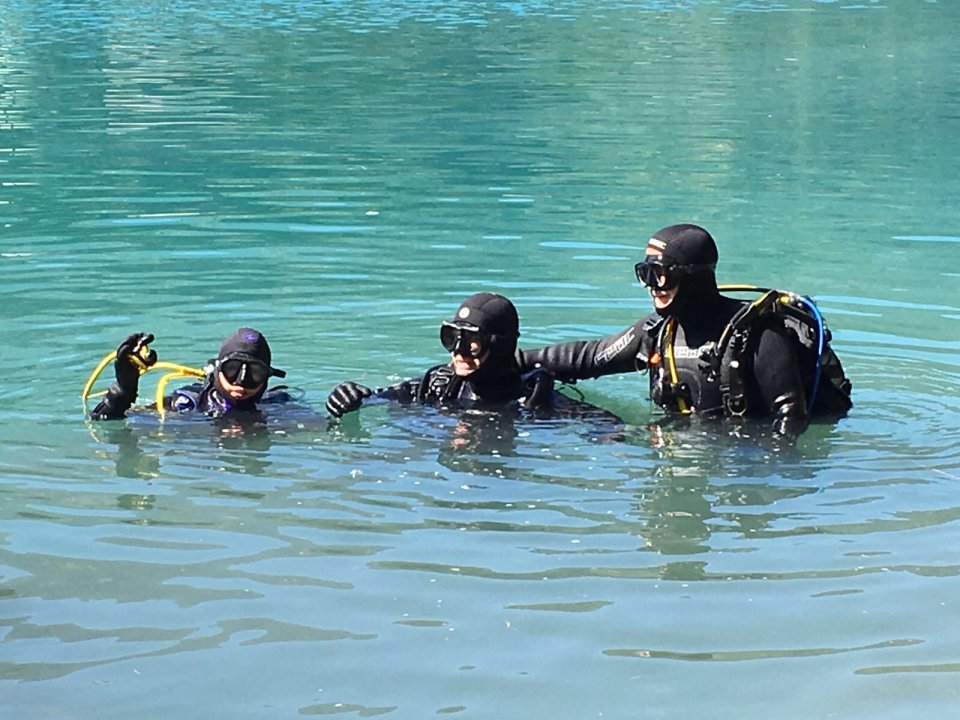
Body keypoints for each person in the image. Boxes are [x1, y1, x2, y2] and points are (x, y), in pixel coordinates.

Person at [516, 223, 852, 437]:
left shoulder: (758, 336)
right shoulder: (658, 332)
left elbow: (791, 420)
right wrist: (509, 360)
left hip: (740, 461)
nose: (653, 286)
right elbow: (587, 359)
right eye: (645, 274)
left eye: (661, 274)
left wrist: (752, 476)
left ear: (693, 276)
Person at [325, 292, 598, 419]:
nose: (458, 351)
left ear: (499, 347)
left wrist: (609, 432)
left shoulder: (533, 396)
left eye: (471, 344)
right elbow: (377, 398)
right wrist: (352, 395)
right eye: (452, 339)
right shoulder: (439, 385)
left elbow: (596, 418)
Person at [89, 327, 290, 420]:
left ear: (267, 376)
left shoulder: (279, 405)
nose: (241, 381)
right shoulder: (185, 404)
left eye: (255, 372)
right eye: (233, 369)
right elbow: (103, 422)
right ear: (217, 368)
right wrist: (121, 394)